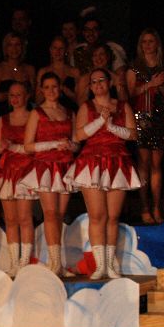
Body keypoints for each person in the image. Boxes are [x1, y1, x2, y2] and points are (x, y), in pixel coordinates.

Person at [66, 68, 141, 279]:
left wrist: (112, 126)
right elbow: (79, 136)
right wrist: (100, 121)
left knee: (113, 216)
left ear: (109, 83)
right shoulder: (86, 107)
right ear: (90, 87)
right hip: (92, 162)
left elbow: (133, 134)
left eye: (101, 80)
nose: (98, 84)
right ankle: (100, 265)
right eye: (94, 81)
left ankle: (110, 263)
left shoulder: (123, 106)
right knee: (97, 216)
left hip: (118, 161)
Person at [21, 72, 78, 277]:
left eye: (55, 86)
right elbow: (28, 146)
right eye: (47, 87)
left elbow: (76, 142)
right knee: (51, 213)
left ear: (60, 88)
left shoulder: (68, 112)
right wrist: (54, 144)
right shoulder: (37, 113)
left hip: (64, 166)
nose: (51, 91)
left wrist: (70, 145)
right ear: (41, 90)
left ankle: (57, 262)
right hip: (46, 166)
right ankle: (54, 263)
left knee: (59, 215)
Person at [0, 81, 37, 277]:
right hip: (7, 170)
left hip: (25, 169)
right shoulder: (3, 119)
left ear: (27, 96)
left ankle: (25, 262)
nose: (15, 99)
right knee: (10, 219)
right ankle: (15, 261)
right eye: (11, 95)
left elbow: (33, 146)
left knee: (24, 217)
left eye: (18, 95)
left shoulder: (33, 116)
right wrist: (1, 146)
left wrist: (13, 146)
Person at [126, 28, 164, 224]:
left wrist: (159, 85)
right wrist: (150, 84)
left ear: (157, 44)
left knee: (156, 165)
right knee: (143, 164)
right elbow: (130, 94)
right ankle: (144, 207)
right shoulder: (134, 68)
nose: (147, 45)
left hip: (159, 117)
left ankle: (156, 207)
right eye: (144, 41)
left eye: (151, 41)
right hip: (140, 117)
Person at [0, 32, 36, 118]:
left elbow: (34, 95)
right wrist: (15, 95)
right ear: (5, 48)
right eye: (10, 45)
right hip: (4, 114)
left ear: (22, 47)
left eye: (17, 44)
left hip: (26, 115)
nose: (14, 48)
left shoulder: (29, 69)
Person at [36, 36, 80, 111]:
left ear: (66, 50)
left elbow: (79, 99)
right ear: (50, 50)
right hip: (49, 111)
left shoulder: (74, 72)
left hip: (70, 111)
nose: (58, 51)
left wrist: (64, 89)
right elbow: (37, 100)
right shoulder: (43, 71)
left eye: (61, 48)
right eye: (55, 48)